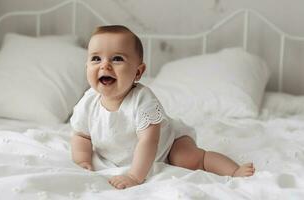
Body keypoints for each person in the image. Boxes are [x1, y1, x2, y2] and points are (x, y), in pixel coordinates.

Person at [70, 25, 255, 190]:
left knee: (187, 159)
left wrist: (134, 176)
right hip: (123, 152)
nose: (105, 66)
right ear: (86, 66)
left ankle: (234, 170)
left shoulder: (143, 101)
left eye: (117, 59)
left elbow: (148, 142)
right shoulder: (88, 101)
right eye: (96, 58)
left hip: (168, 144)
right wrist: (83, 160)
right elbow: (81, 135)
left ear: (138, 72)